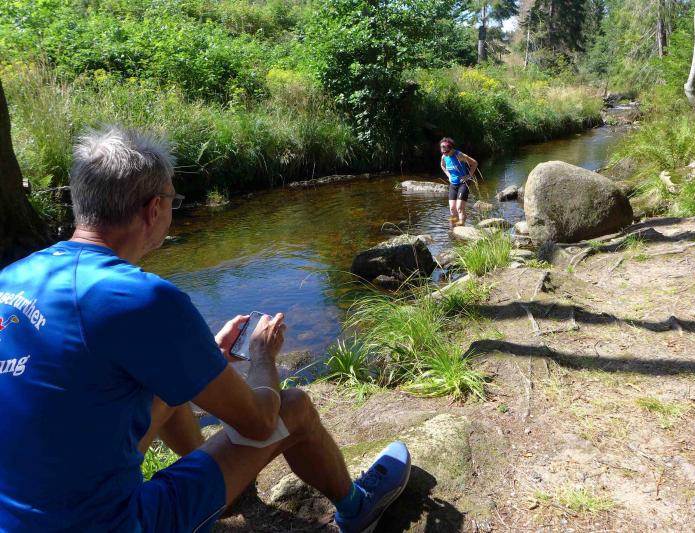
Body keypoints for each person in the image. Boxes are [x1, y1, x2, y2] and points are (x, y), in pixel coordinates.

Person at [0, 126, 411, 532]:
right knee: (295, 408)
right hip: (110, 524)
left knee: (171, 384)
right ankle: (358, 509)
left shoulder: (12, 277)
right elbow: (259, 422)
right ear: (154, 209)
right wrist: (263, 356)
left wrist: (206, 357)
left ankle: (218, 491)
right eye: (173, 201)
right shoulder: (141, 297)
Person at [439, 137, 478, 226]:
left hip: (463, 183)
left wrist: (469, 175)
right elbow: (442, 165)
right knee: (452, 209)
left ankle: (461, 227)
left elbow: (474, 163)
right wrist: (449, 176)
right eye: (443, 152)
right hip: (453, 184)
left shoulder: (459, 155)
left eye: (446, 152)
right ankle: (453, 228)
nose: (445, 154)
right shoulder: (444, 157)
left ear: (451, 148)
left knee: (459, 207)